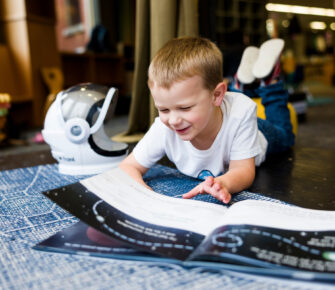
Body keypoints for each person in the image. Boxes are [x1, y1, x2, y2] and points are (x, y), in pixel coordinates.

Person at [119, 36, 294, 204]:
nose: (173, 120)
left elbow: (243, 170)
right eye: (163, 109)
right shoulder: (165, 127)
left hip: (259, 132)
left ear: (217, 95)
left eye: (185, 108)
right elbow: (128, 167)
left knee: (285, 136)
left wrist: (224, 183)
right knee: (222, 103)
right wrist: (145, 194)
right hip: (218, 112)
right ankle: (240, 84)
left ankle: (271, 81)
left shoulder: (241, 113)